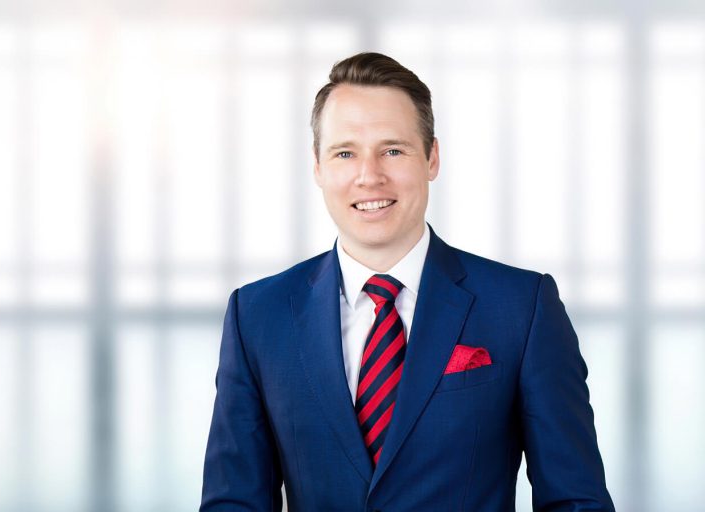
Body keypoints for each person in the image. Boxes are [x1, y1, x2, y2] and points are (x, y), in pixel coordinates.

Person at [200, 52, 614, 511]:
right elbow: (233, 502)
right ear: (317, 166)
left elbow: (576, 500)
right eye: (345, 153)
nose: (369, 176)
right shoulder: (258, 315)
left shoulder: (522, 307)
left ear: (432, 157)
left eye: (393, 150)